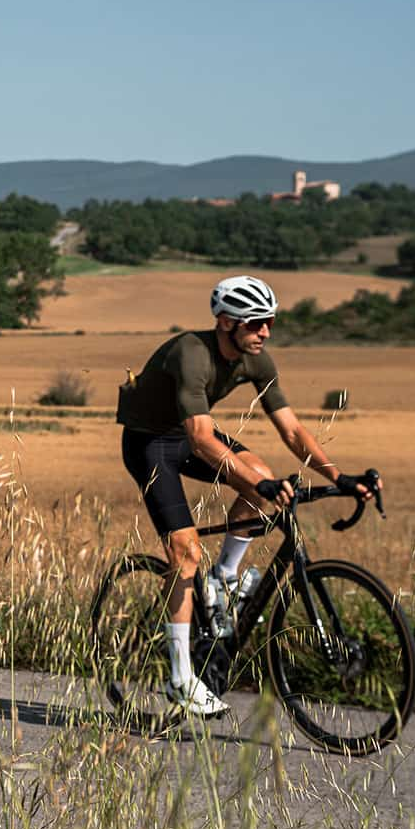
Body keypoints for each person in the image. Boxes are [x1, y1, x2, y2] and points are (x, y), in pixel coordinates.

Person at [115, 275, 380, 717]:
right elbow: (201, 439)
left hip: (186, 435)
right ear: (225, 323)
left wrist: (339, 475)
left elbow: (292, 430)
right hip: (149, 444)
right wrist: (255, 485)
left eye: (270, 322)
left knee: (263, 474)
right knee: (184, 552)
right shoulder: (191, 355)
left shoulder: (257, 359)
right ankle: (180, 677)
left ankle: (224, 576)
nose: (266, 332)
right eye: (257, 324)